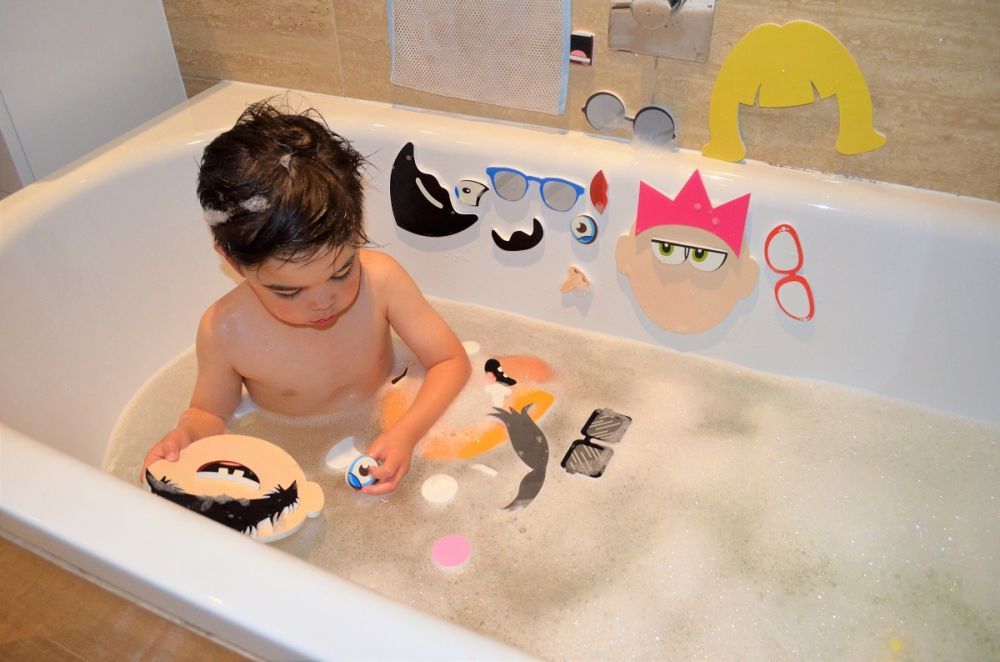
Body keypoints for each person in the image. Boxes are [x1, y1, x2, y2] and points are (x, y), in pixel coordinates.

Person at [141, 101, 471, 495]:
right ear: (233, 262)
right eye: (288, 291)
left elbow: (449, 361)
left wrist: (406, 433)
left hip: (391, 419)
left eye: (342, 271)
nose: (323, 301)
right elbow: (210, 412)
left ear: (357, 230)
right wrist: (187, 437)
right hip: (292, 461)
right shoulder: (225, 331)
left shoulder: (382, 281)